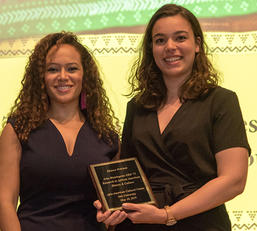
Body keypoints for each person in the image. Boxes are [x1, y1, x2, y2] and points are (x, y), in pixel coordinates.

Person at [94, 4, 251, 231]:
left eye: (180, 38)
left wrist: (167, 215)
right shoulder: (136, 107)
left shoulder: (221, 101)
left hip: (201, 223)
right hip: (141, 223)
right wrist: (110, 205)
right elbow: (126, 177)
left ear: (197, 44)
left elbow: (234, 181)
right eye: (160, 40)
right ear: (151, 49)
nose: (170, 47)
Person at [0, 31, 121, 231]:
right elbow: (5, 203)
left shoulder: (107, 136)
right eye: (53, 69)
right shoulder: (17, 130)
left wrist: (113, 216)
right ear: (41, 77)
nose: (63, 77)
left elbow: (114, 208)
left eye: (72, 69)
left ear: (85, 75)